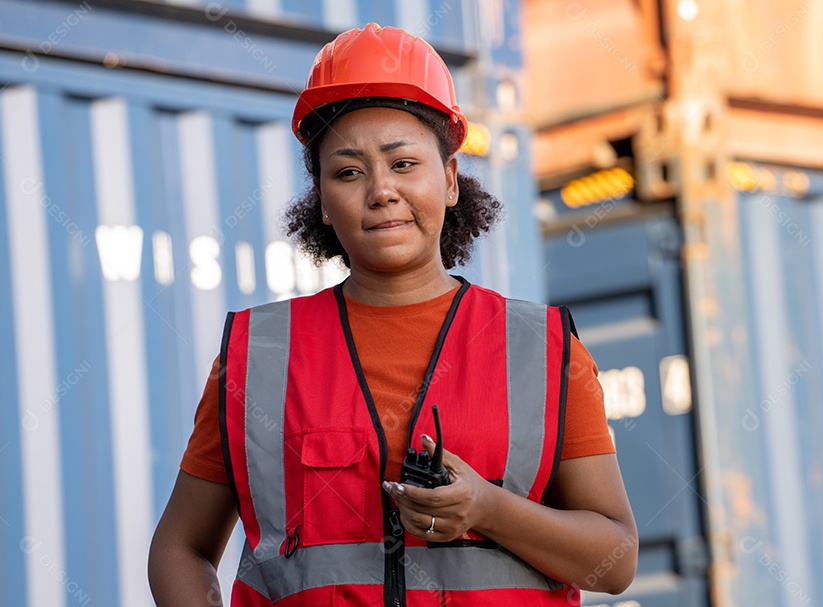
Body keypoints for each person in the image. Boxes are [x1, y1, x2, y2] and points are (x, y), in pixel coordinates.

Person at [148, 23, 637, 606]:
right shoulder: (258, 356)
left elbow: (614, 561)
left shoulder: (542, 347)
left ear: (451, 180)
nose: (381, 191)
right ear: (323, 202)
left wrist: (489, 508)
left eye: (404, 164)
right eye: (349, 172)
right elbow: (180, 547)